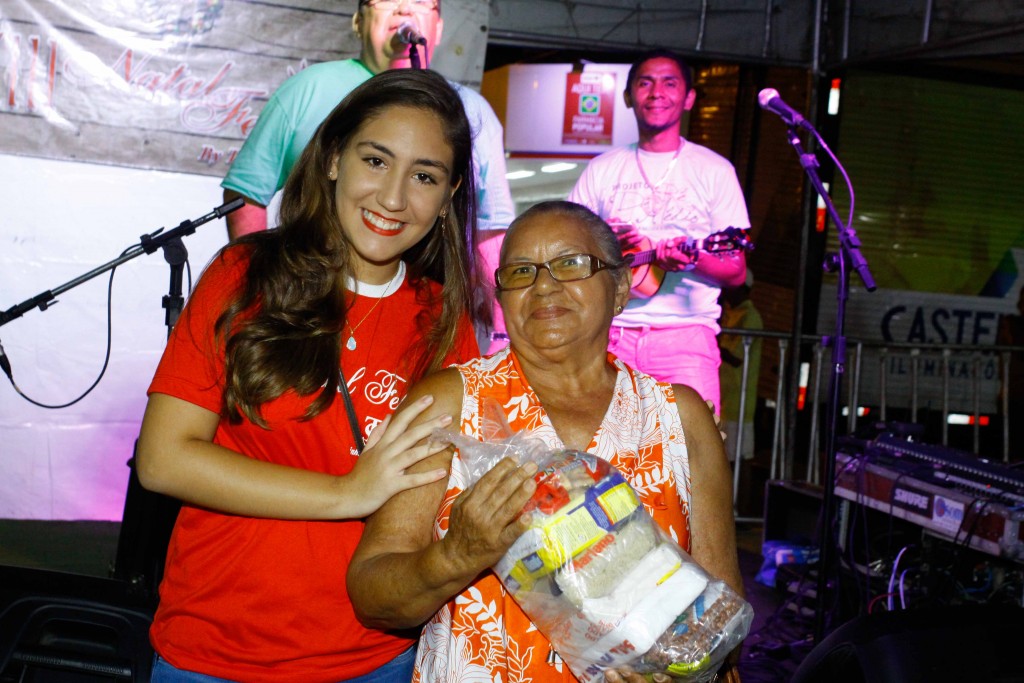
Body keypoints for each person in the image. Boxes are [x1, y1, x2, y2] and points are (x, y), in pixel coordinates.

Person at [135, 69, 481, 682]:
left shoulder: (444, 320)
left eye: (424, 176)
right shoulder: (245, 276)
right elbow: (163, 460)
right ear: (332, 159)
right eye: (376, 160)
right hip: (216, 653)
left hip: (375, 656)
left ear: (449, 193)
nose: (394, 197)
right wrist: (349, 492)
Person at [347, 201, 745, 683]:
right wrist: (455, 556)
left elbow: (720, 620)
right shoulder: (451, 404)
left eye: (571, 263)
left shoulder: (678, 417)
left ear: (619, 288)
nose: (543, 285)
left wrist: (677, 673)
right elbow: (371, 594)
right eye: (520, 271)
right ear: (501, 297)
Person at [221, 0, 514, 348]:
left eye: (421, 3)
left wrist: (497, 327)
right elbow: (246, 194)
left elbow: (490, 228)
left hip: (422, 322)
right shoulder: (308, 88)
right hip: (306, 306)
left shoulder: (472, 112)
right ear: (358, 22)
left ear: (438, 26)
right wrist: (259, 280)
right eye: (388, 1)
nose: (405, 11)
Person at [568, 49, 749, 413]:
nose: (656, 92)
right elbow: (568, 247)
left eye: (670, 83)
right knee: (606, 458)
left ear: (689, 98)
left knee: (691, 457)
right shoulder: (602, 169)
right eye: (645, 83)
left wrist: (693, 259)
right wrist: (607, 246)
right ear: (629, 96)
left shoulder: (715, 171)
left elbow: (736, 270)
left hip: (686, 339)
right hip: (610, 337)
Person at [719, 270, 763, 461]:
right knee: (725, 458)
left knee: (739, 459)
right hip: (726, 400)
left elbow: (736, 358)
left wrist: (709, 341)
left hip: (739, 402)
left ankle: (743, 492)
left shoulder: (750, 316)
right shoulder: (731, 313)